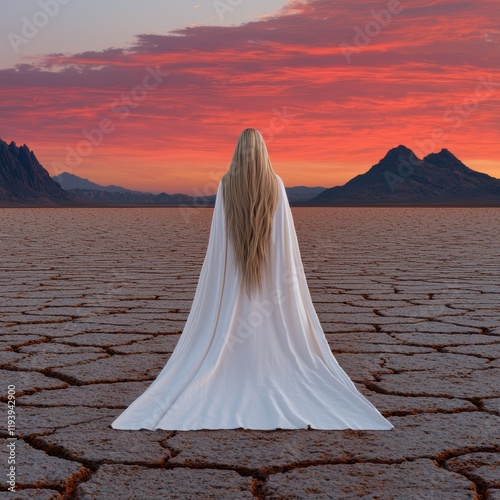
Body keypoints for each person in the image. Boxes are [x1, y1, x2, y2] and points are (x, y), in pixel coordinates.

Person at [111, 128, 393, 431]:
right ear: (263, 151)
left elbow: (221, 242)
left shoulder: (226, 184)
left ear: (238, 151)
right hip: (270, 278)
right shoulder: (276, 183)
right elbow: (283, 240)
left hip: (233, 275)